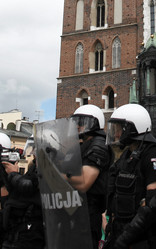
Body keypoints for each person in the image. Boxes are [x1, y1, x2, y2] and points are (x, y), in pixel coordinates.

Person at [104, 103, 156, 249]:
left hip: (141, 239)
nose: (116, 133)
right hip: (121, 232)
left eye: (119, 128)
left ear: (132, 128)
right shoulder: (126, 156)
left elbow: (153, 203)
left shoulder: (152, 154)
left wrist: (126, 238)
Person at [67, 104, 113, 249]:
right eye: (76, 122)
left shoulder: (98, 145)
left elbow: (84, 182)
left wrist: (57, 174)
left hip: (88, 212)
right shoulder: (84, 144)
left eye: (81, 122)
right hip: (77, 209)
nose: (77, 126)